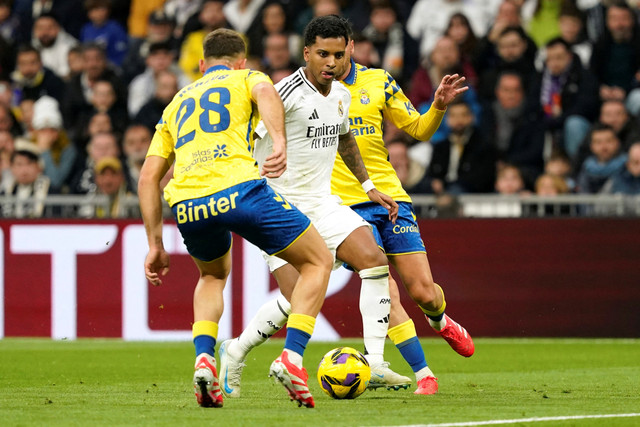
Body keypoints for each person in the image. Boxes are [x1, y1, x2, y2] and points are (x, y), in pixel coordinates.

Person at [218, 19, 474, 397]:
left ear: (348, 52)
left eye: (338, 55)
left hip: (324, 202)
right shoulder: (282, 93)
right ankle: (235, 352)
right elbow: (245, 140)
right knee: (298, 296)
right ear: (306, 53)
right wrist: (256, 176)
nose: (331, 62)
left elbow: (345, 138)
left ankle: (374, 363)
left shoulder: (340, 93)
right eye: (323, 54)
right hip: (280, 207)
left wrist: (369, 187)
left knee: (374, 261)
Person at [139, 27, 334, 409]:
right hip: (240, 189)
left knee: (211, 275)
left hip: (190, 204)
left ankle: (204, 358)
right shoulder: (248, 77)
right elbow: (267, 93)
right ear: (240, 61)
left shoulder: (175, 103)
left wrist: (155, 245)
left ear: (201, 65)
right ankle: (292, 358)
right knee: (318, 260)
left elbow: (148, 178)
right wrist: (279, 142)